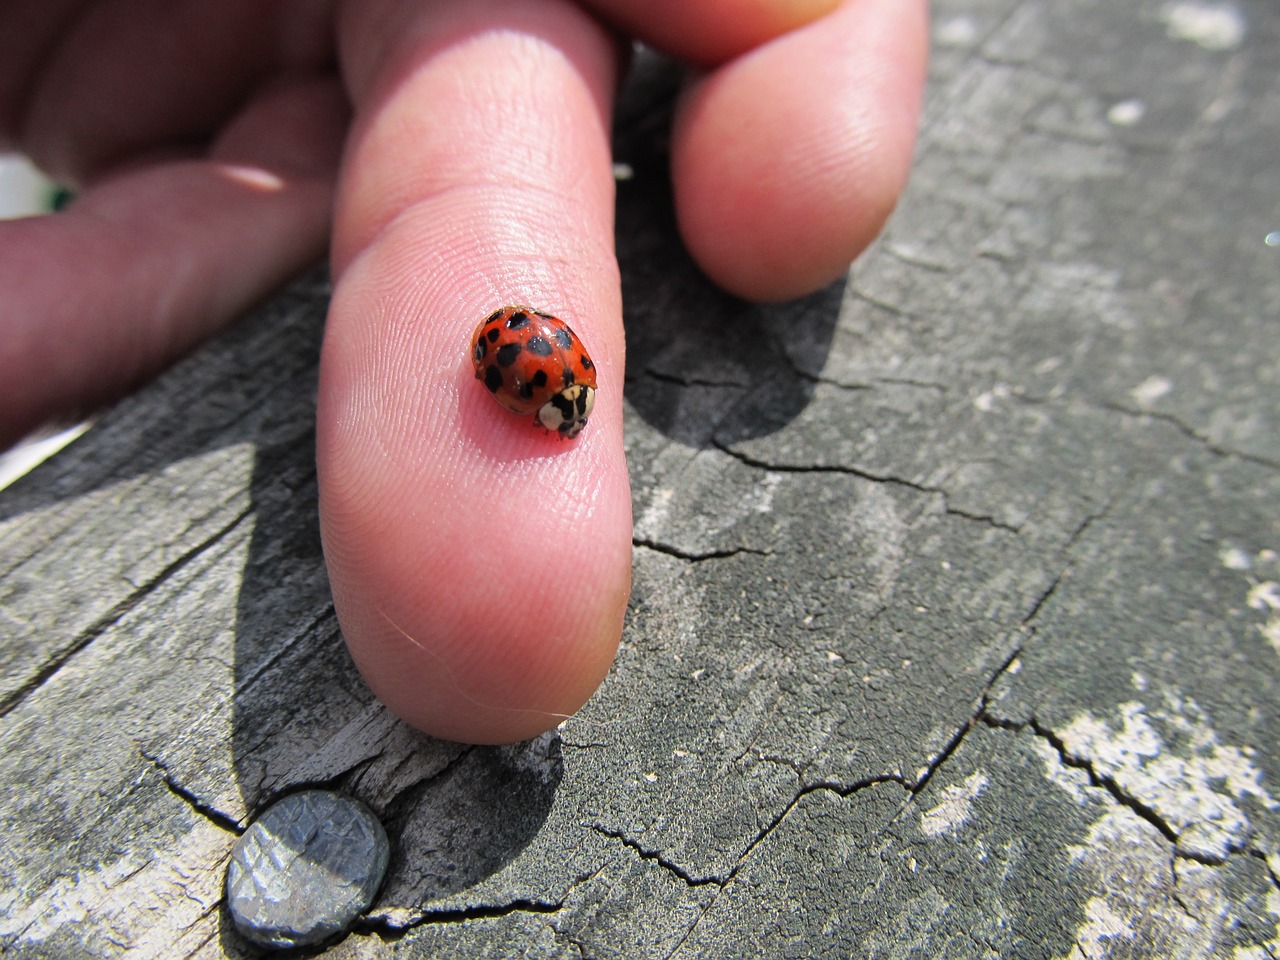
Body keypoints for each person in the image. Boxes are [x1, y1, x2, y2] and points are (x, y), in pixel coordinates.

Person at [0, 0, 927, 743]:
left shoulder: (555, 376)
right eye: (565, 411)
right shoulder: (546, 379)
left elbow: (539, 363)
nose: (563, 418)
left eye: (564, 409)